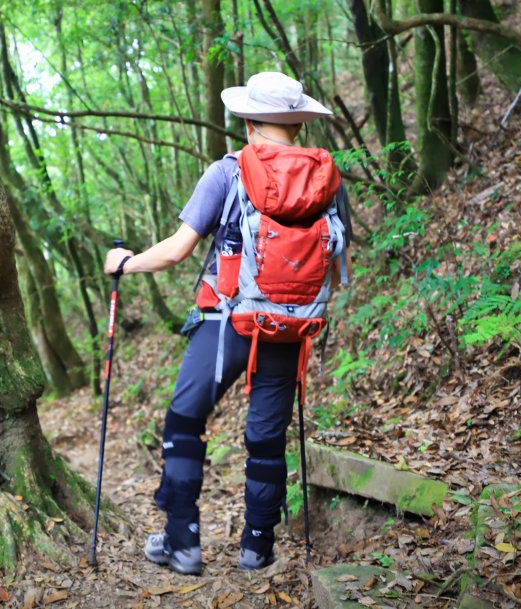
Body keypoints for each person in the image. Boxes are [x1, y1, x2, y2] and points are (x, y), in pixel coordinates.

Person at [103, 72, 350, 575]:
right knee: (266, 438)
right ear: (299, 122)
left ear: (247, 120)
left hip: (227, 323)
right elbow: (334, 269)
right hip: (290, 329)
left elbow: (177, 251)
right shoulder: (327, 179)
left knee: (184, 422)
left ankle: (183, 543)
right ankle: (257, 548)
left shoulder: (228, 171)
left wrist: (125, 263)